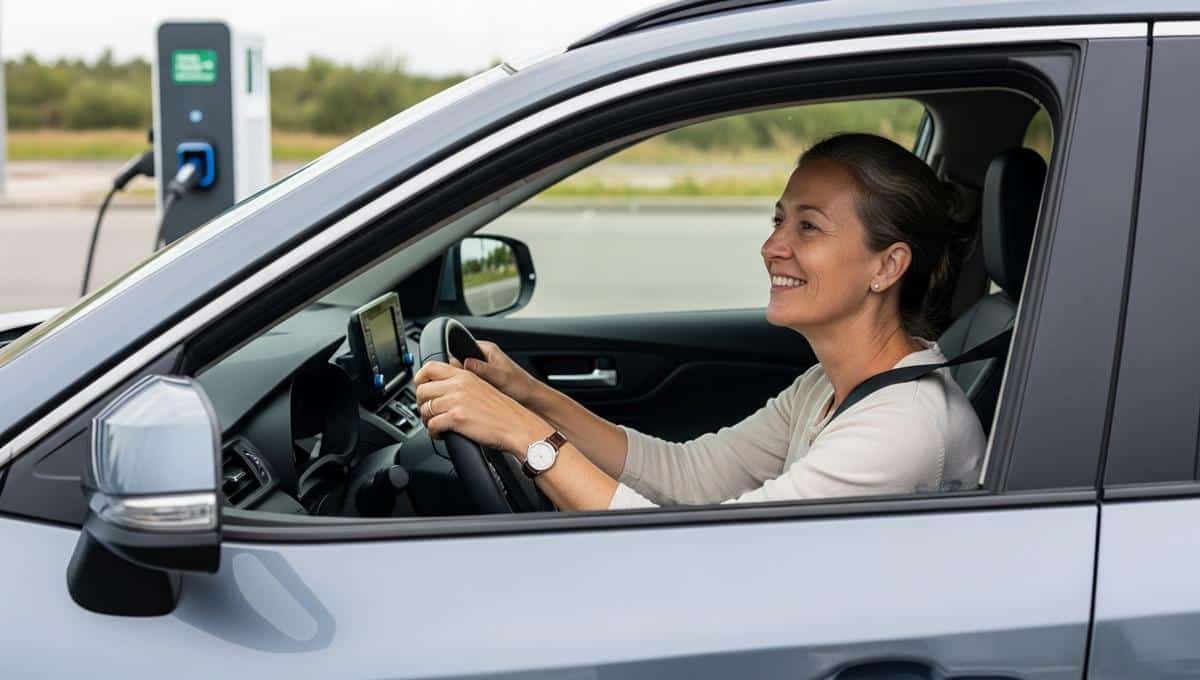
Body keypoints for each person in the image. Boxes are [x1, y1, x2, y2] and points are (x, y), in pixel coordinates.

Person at [413, 132, 986, 511]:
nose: (771, 247)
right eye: (778, 221)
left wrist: (522, 434)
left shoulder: (901, 428)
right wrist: (528, 395)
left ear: (887, 266)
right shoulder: (826, 387)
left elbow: (700, 560)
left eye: (807, 228)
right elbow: (688, 477)